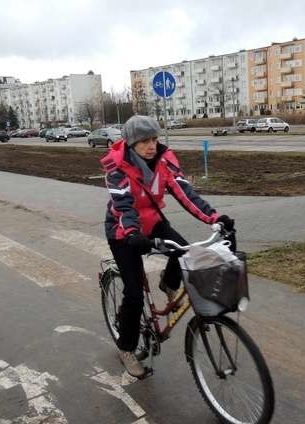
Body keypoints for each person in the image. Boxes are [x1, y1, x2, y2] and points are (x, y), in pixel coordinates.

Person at [100, 115, 234, 378]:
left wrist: (214, 218)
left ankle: (168, 282)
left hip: (153, 222)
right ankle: (126, 347)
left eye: (154, 139)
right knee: (135, 295)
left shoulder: (164, 162)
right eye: (144, 141)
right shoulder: (118, 169)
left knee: (186, 253)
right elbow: (123, 206)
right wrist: (132, 233)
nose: (151, 145)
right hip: (123, 232)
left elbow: (186, 193)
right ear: (130, 143)